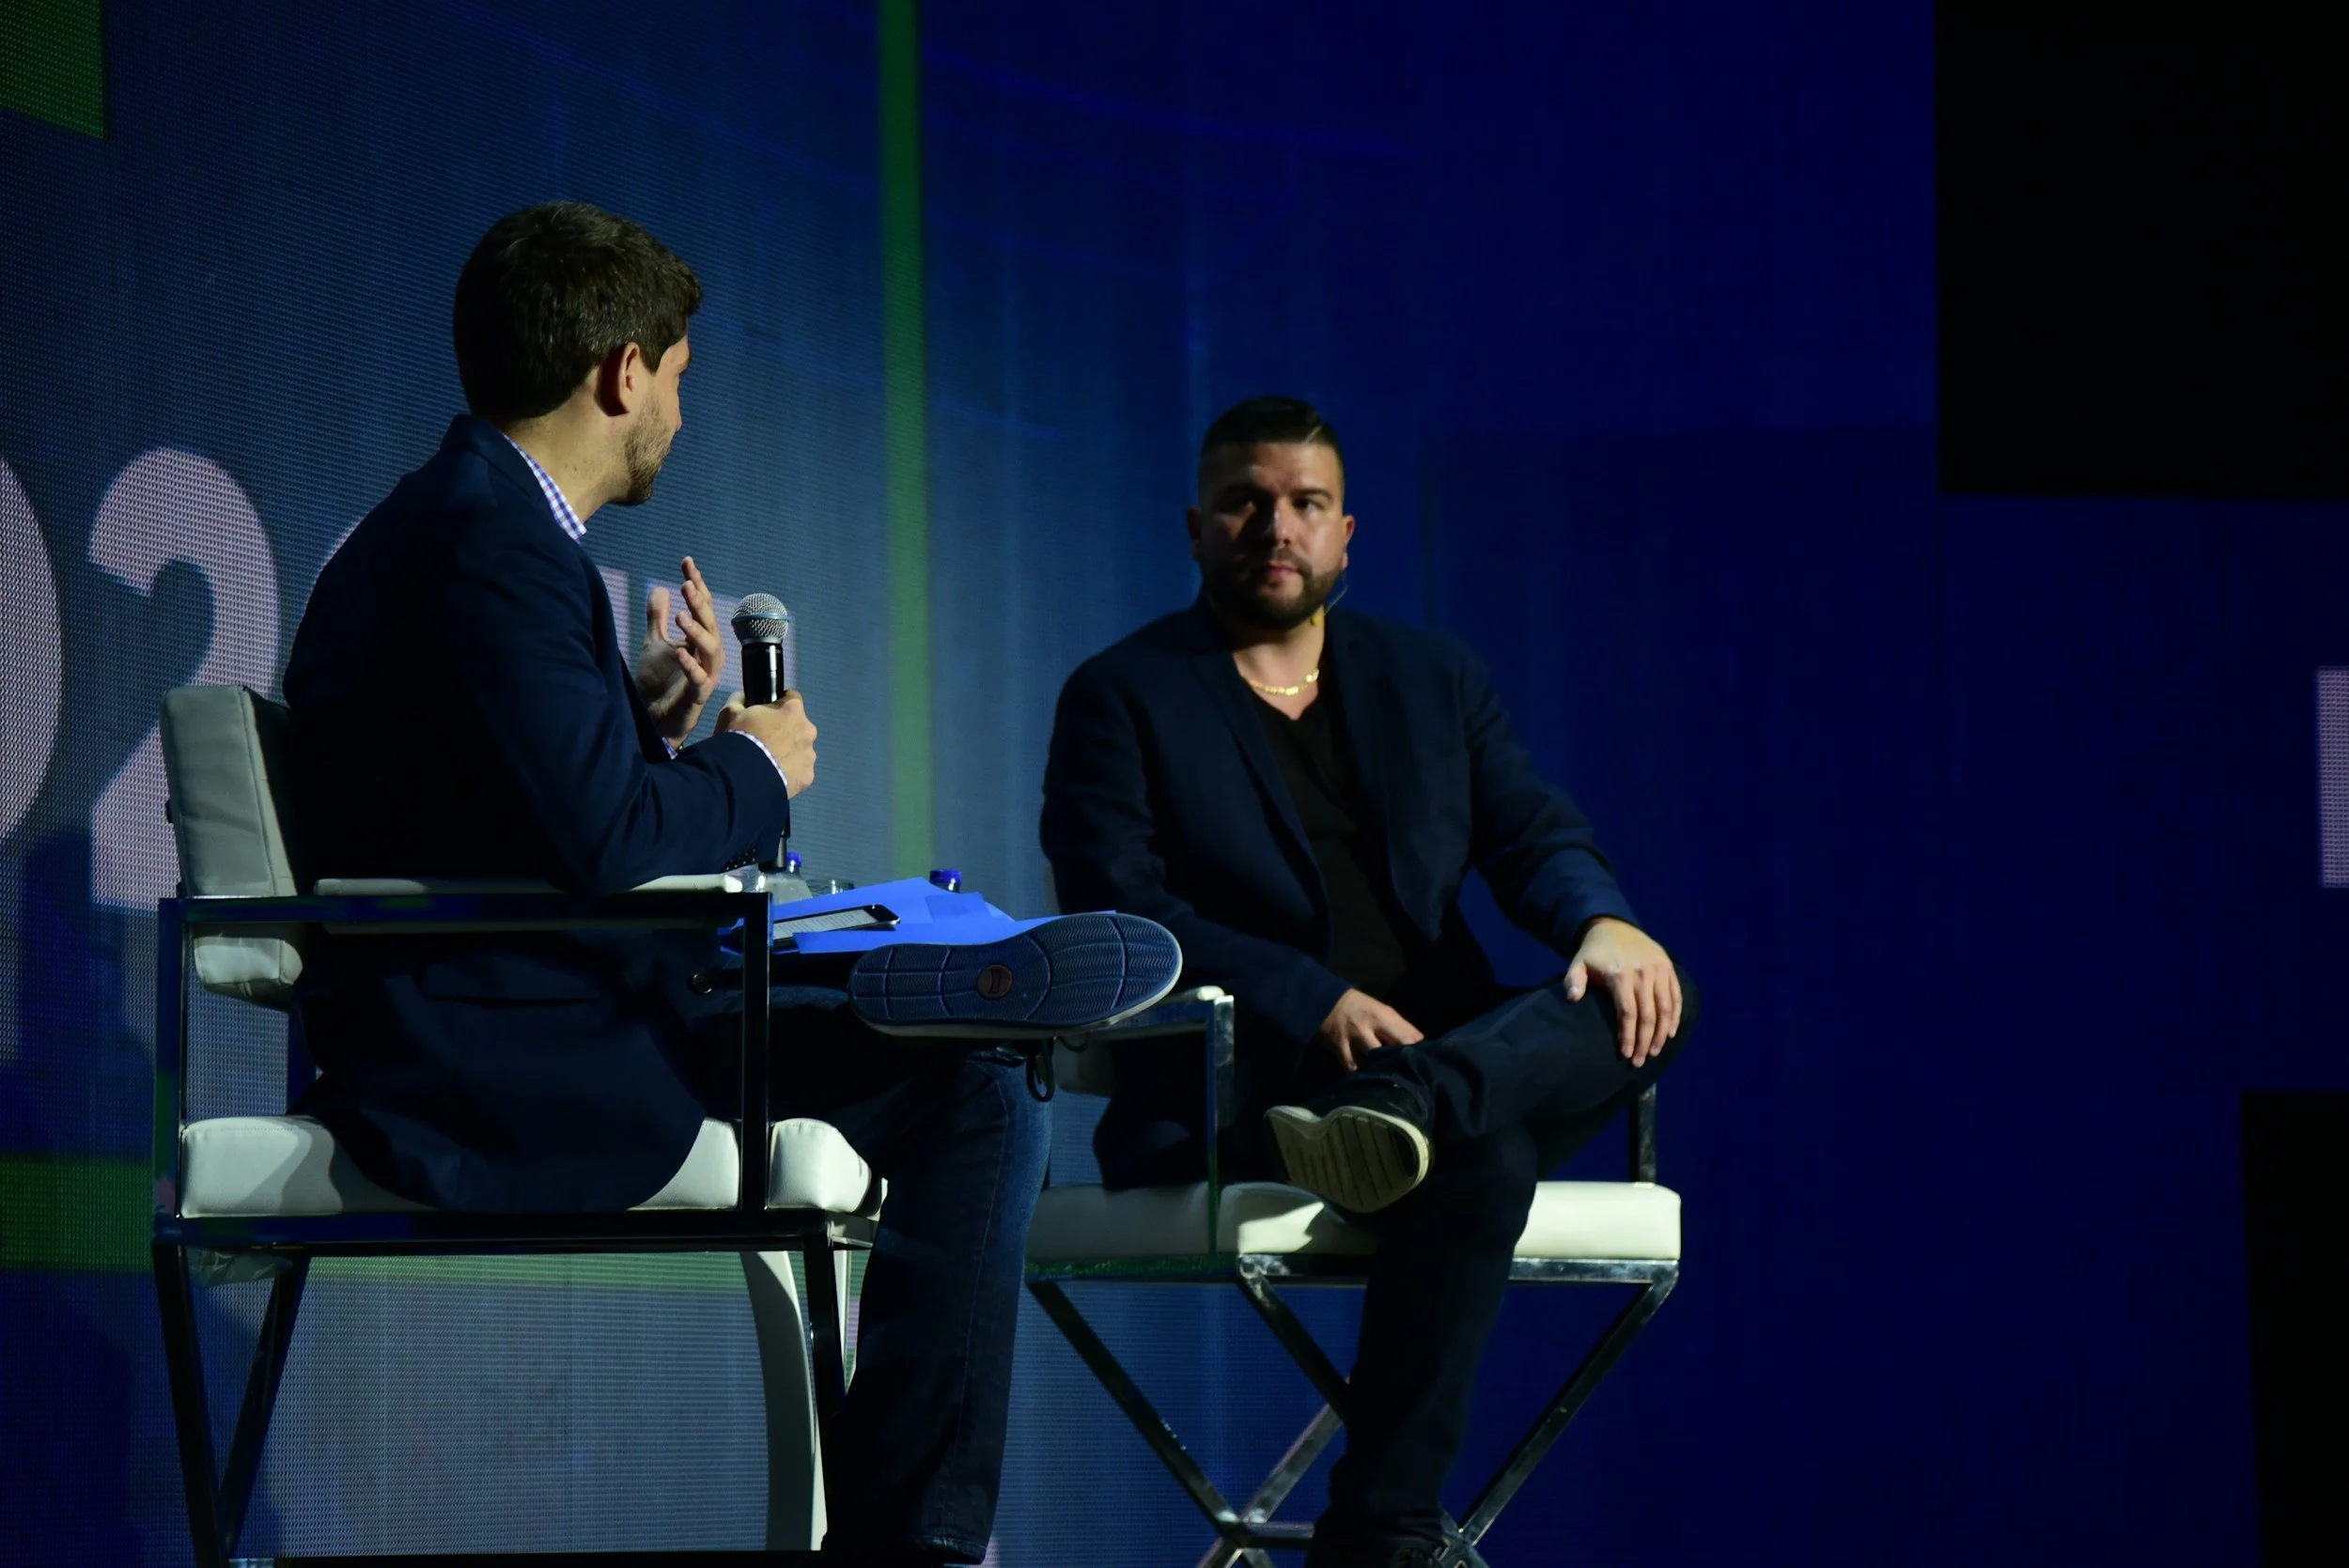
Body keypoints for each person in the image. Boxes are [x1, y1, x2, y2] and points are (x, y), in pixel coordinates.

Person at [284, 202, 1177, 1566]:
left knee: (966, 1069)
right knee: (977, 1098)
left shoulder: (469, 523)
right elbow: (595, 846)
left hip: (536, 988)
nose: (681, 421)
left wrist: (646, 724)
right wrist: (752, 767)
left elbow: (523, 802)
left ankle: (924, 971)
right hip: (497, 1047)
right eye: (682, 381)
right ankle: (911, 1548)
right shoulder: (493, 543)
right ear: (621, 371)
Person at [1040, 396, 1695, 1568]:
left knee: (1640, 993)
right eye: (1245, 502)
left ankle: (1418, 1098)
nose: (1273, 526)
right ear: (1196, 526)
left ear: (1349, 533)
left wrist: (1601, 920)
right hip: (1249, 1089)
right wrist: (1311, 998)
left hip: (1432, 1064)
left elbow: (1531, 832)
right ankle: (1381, 1530)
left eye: (1304, 504)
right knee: (1483, 1148)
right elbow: (1119, 914)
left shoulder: (1431, 677)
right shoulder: (1123, 694)